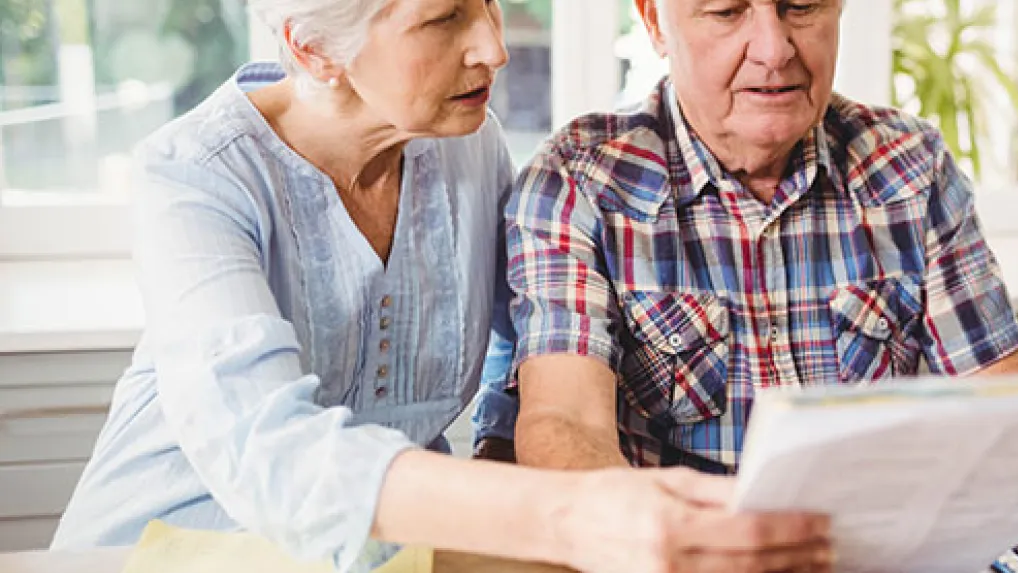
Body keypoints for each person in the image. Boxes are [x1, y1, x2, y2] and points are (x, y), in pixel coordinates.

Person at [51, 1, 834, 572]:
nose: (493, 48)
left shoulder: (466, 142)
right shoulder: (194, 175)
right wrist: (568, 513)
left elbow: (516, 344)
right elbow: (270, 454)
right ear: (315, 50)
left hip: (385, 556)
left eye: (489, 4)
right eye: (444, 19)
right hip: (171, 546)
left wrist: (503, 461)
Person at [480, 0, 1018, 474]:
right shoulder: (579, 181)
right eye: (727, 10)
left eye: (802, 5)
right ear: (654, 22)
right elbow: (566, 426)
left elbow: (1003, 410)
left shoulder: (910, 168)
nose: (775, 50)